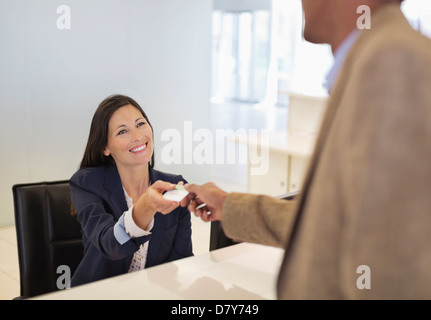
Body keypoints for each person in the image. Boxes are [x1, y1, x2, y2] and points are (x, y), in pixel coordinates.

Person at [181, 0, 431, 299]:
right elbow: (329, 227)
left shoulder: (394, 63)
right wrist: (229, 206)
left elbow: (392, 271)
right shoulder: (375, 59)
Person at [70, 94, 193, 287]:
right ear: (105, 147)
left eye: (140, 124)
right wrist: (145, 206)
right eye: (122, 132)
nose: (137, 137)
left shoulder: (175, 186)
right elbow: (110, 244)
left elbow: (181, 259)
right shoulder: (87, 183)